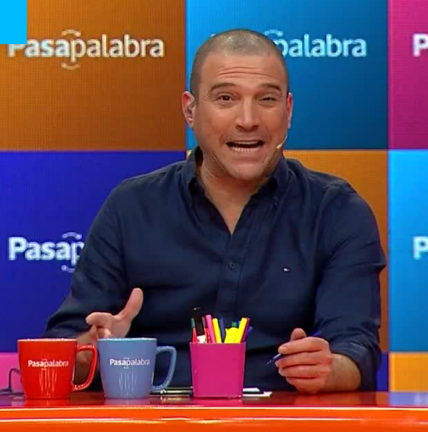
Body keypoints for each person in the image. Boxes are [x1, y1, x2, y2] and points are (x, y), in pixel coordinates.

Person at [42, 29, 386, 394]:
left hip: (279, 415)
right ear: (190, 110)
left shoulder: (336, 210)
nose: (248, 120)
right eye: (226, 98)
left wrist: (327, 369)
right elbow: (67, 350)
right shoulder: (131, 206)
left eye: (266, 99)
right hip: (156, 416)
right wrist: (95, 348)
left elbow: (356, 349)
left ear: (288, 111)